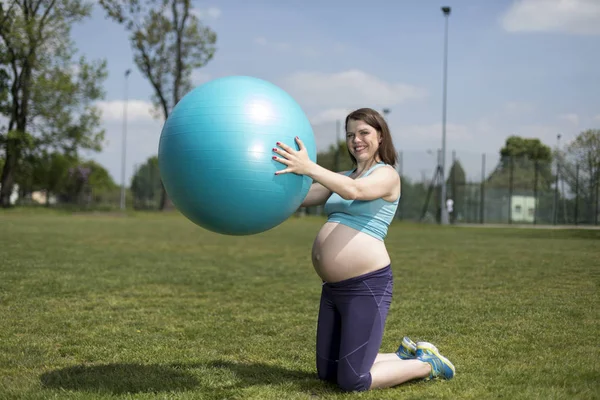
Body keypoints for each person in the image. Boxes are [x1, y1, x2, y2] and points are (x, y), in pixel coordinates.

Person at [272, 107, 455, 392]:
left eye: (363, 133)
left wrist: (309, 167)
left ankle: (428, 364)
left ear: (380, 137)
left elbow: (354, 192)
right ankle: (401, 355)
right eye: (350, 134)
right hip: (333, 288)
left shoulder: (387, 176)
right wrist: (256, 191)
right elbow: (300, 198)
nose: (356, 140)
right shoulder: (344, 176)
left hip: (366, 285)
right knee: (327, 373)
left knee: (352, 380)